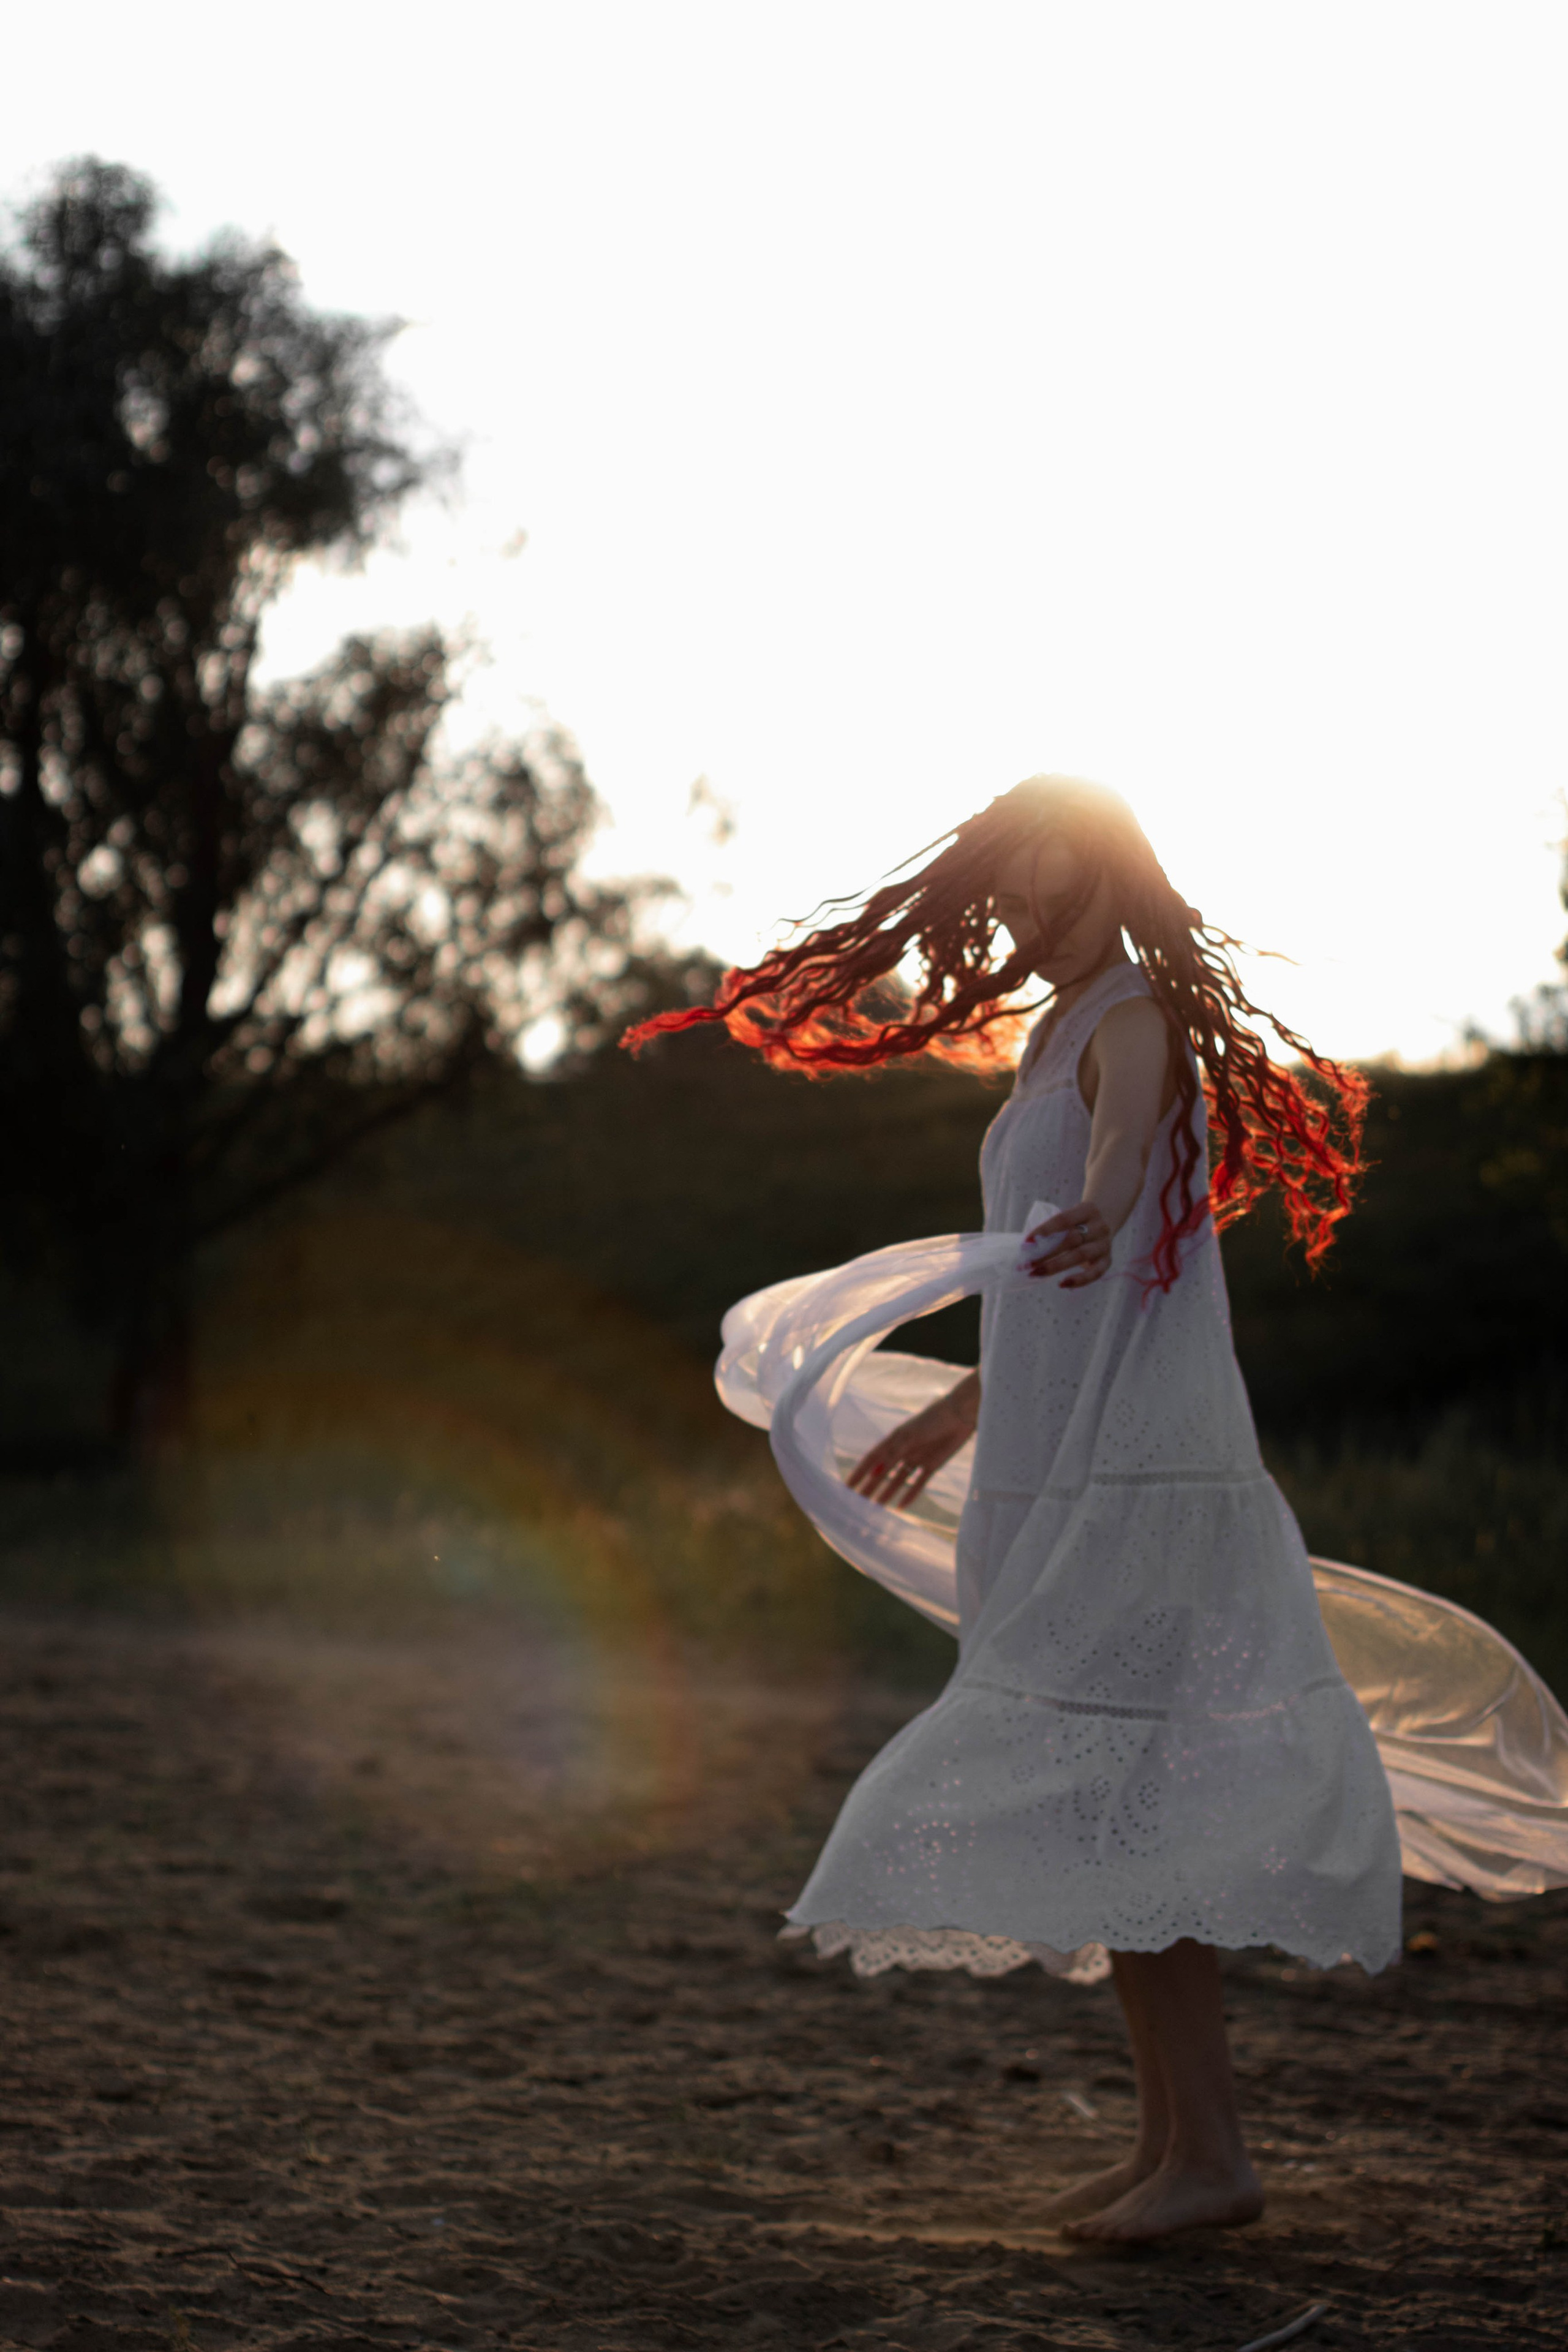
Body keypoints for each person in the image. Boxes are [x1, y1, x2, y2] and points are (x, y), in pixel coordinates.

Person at [625, 775, 1403, 2242]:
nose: (1039, 920)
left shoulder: (1125, 1021)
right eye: (1020, 899)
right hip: (1055, 1457)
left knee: (1125, 1784)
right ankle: (1176, 2141)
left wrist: (1107, 1206)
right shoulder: (1046, 1038)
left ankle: (1209, 2154)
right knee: (1105, 1792)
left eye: (1064, 890)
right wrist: (966, 1404)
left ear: (1117, 885)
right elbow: (1038, 1277)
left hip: (1135, 1470)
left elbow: (1110, 1180)